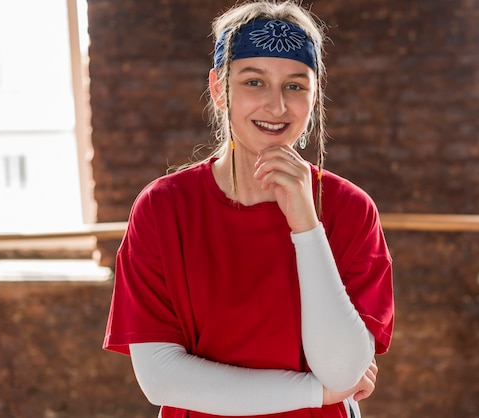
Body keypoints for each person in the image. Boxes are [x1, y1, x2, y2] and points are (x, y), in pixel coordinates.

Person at [103, 1, 394, 417]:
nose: (276, 107)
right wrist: (317, 393)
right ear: (220, 90)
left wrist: (306, 225)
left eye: (295, 86)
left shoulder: (351, 210)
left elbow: (342, 370)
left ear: (313, 98)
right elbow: (162, 378)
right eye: (254, 82)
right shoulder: (162, 209)